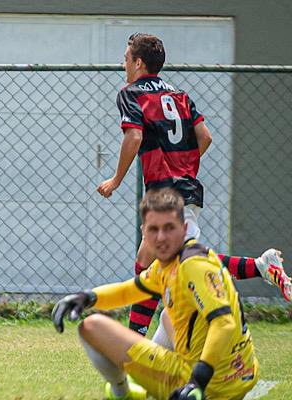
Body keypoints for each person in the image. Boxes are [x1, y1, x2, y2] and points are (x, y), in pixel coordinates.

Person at [96, 33, 291, 336]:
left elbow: (133, 137)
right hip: (185, 188)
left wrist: (116, 180)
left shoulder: (131, 93)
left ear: (138, 62)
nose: (123, 64)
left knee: (186, 263)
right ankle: (134, 341)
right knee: (151, 263)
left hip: (165, 194)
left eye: (125, 58)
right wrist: (182, 165)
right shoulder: (179, 95)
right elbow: (205, 137)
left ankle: (260, 266)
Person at [53, 188, 259, 400]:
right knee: (168, 315)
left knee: (91, 326)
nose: (161, 237)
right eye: (154, 229)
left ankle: (121, 394)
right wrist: (87, 297)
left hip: (204, 387)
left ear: (184, 228)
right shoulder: (178, 261)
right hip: (240, 374)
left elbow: (224, 323)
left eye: (169, 228)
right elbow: (129, 291)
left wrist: (197, 382)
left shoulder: (192, 266)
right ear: (144, 232)